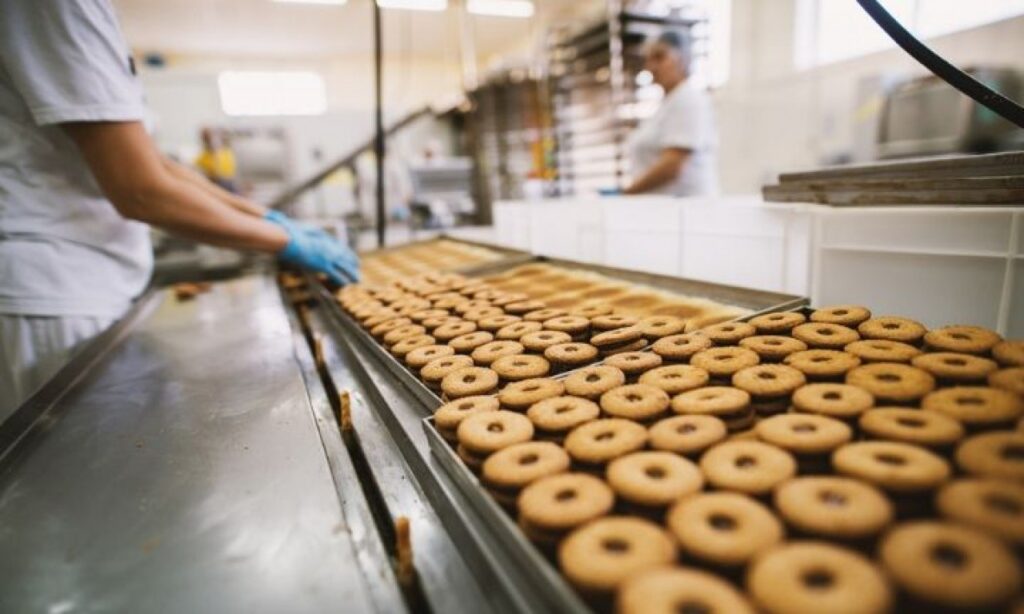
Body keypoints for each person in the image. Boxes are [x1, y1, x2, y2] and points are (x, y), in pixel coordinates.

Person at [0, 0, 359, 422]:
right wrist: (285, 241)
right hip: (56, 286)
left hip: (88, 278)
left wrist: (268, 220)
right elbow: (139, 189)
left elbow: (158, 166)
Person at [624, 29, 719, 197]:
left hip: (687, 211)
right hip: (666, 211)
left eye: (659, 57)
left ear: (682, 60)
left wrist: (627, 193)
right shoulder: (665, 105)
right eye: (648, 59)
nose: (651, 66)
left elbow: (673, 165)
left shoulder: (688, 99)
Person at [195, 127, 239, 193]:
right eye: (206, 138)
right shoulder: (203, 156)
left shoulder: (226, 152)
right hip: (215, 184)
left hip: (226, 183)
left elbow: (224, 172)